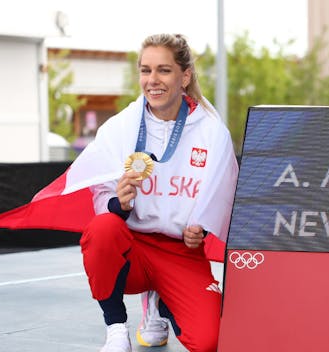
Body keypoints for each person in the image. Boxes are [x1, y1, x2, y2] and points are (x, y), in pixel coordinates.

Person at [81, 33, 239, 352]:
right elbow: (102, 202)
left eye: (164, 70)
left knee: (211, 341)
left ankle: (161, 303)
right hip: (134, 247)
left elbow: (220, 195)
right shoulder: (119, 127)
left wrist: (200, 228)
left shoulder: (211, 132)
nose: (152, 80)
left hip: (181, 252)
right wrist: (120, 203)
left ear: (185, 76)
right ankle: (115, 329)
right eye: (145, 70)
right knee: (102, 229)